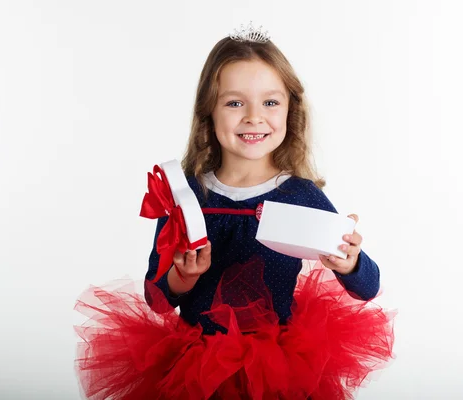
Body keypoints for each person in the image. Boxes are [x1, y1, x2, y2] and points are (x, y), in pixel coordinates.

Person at [75, 23, 395, 400]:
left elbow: (368, 286)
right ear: (209, 111)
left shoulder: (299, 194)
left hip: (278, 369)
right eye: (234, 102)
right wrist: (182, 275)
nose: (253, 117)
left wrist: (349, 261)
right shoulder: (187, 195)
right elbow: (157, 299)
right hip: (195, 368)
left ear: (291, 110)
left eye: (270, 102)